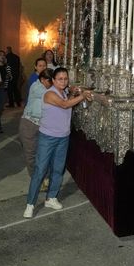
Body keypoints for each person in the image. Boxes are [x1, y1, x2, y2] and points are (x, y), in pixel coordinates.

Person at [24, 67, 91, 217]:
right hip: (47, 137)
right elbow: (64, 105)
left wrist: (73, 93)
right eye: (60, 79)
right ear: (53, 80)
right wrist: (82, 96)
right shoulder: (49, 94)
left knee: (58, 169)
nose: (63, 81)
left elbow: (67, 101)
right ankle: (30, 204)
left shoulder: (64, 92)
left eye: (65, 79)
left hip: (63, 137)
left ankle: (51, 197)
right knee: (40, 170)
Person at [19, 70, 53, 178]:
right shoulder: (36, 87)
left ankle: (44, 177)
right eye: (50, 81)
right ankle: (36, 179)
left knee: (43, 153)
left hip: (43, 125)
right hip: (29, 124)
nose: (52, 83)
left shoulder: (50, 88)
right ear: (42, 80)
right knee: (31, 154)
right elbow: (49, 96)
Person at [0, 49, 10, 132]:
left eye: (3, 55)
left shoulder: (6, 66)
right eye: (0, 54)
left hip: (3, 88)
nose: (2, 56)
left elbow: (11, 77)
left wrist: (8, 75)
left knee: (0, 108)